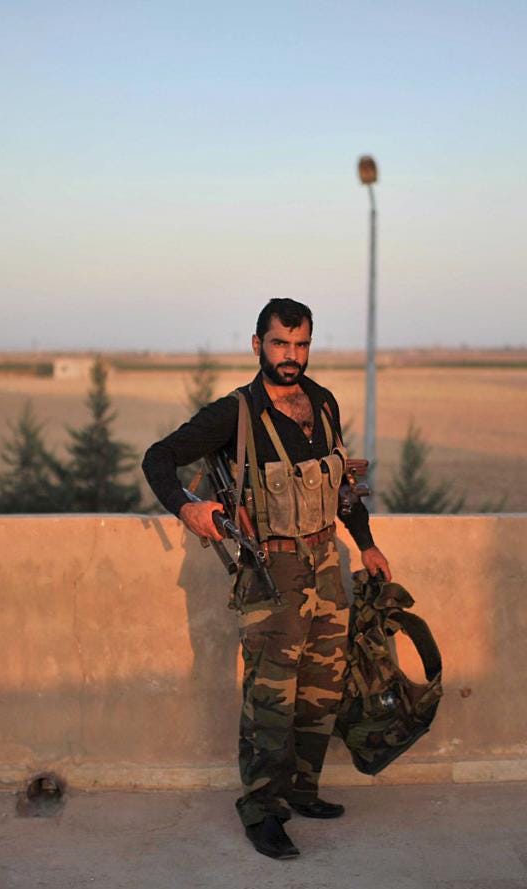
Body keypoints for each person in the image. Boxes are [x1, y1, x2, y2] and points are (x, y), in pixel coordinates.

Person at [142, 297, 392, 860]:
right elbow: (158, 458)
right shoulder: (234, 413)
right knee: (271, 700)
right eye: (281, 343)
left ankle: (303, 791)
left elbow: (341, 489)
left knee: (323, 688)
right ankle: (261, 811)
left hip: (327, 563)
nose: (292, 356)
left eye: (301, 344)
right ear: (258, 345)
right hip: (271, 571)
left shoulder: (323, 404)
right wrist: (189, 507)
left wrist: (368, 544)